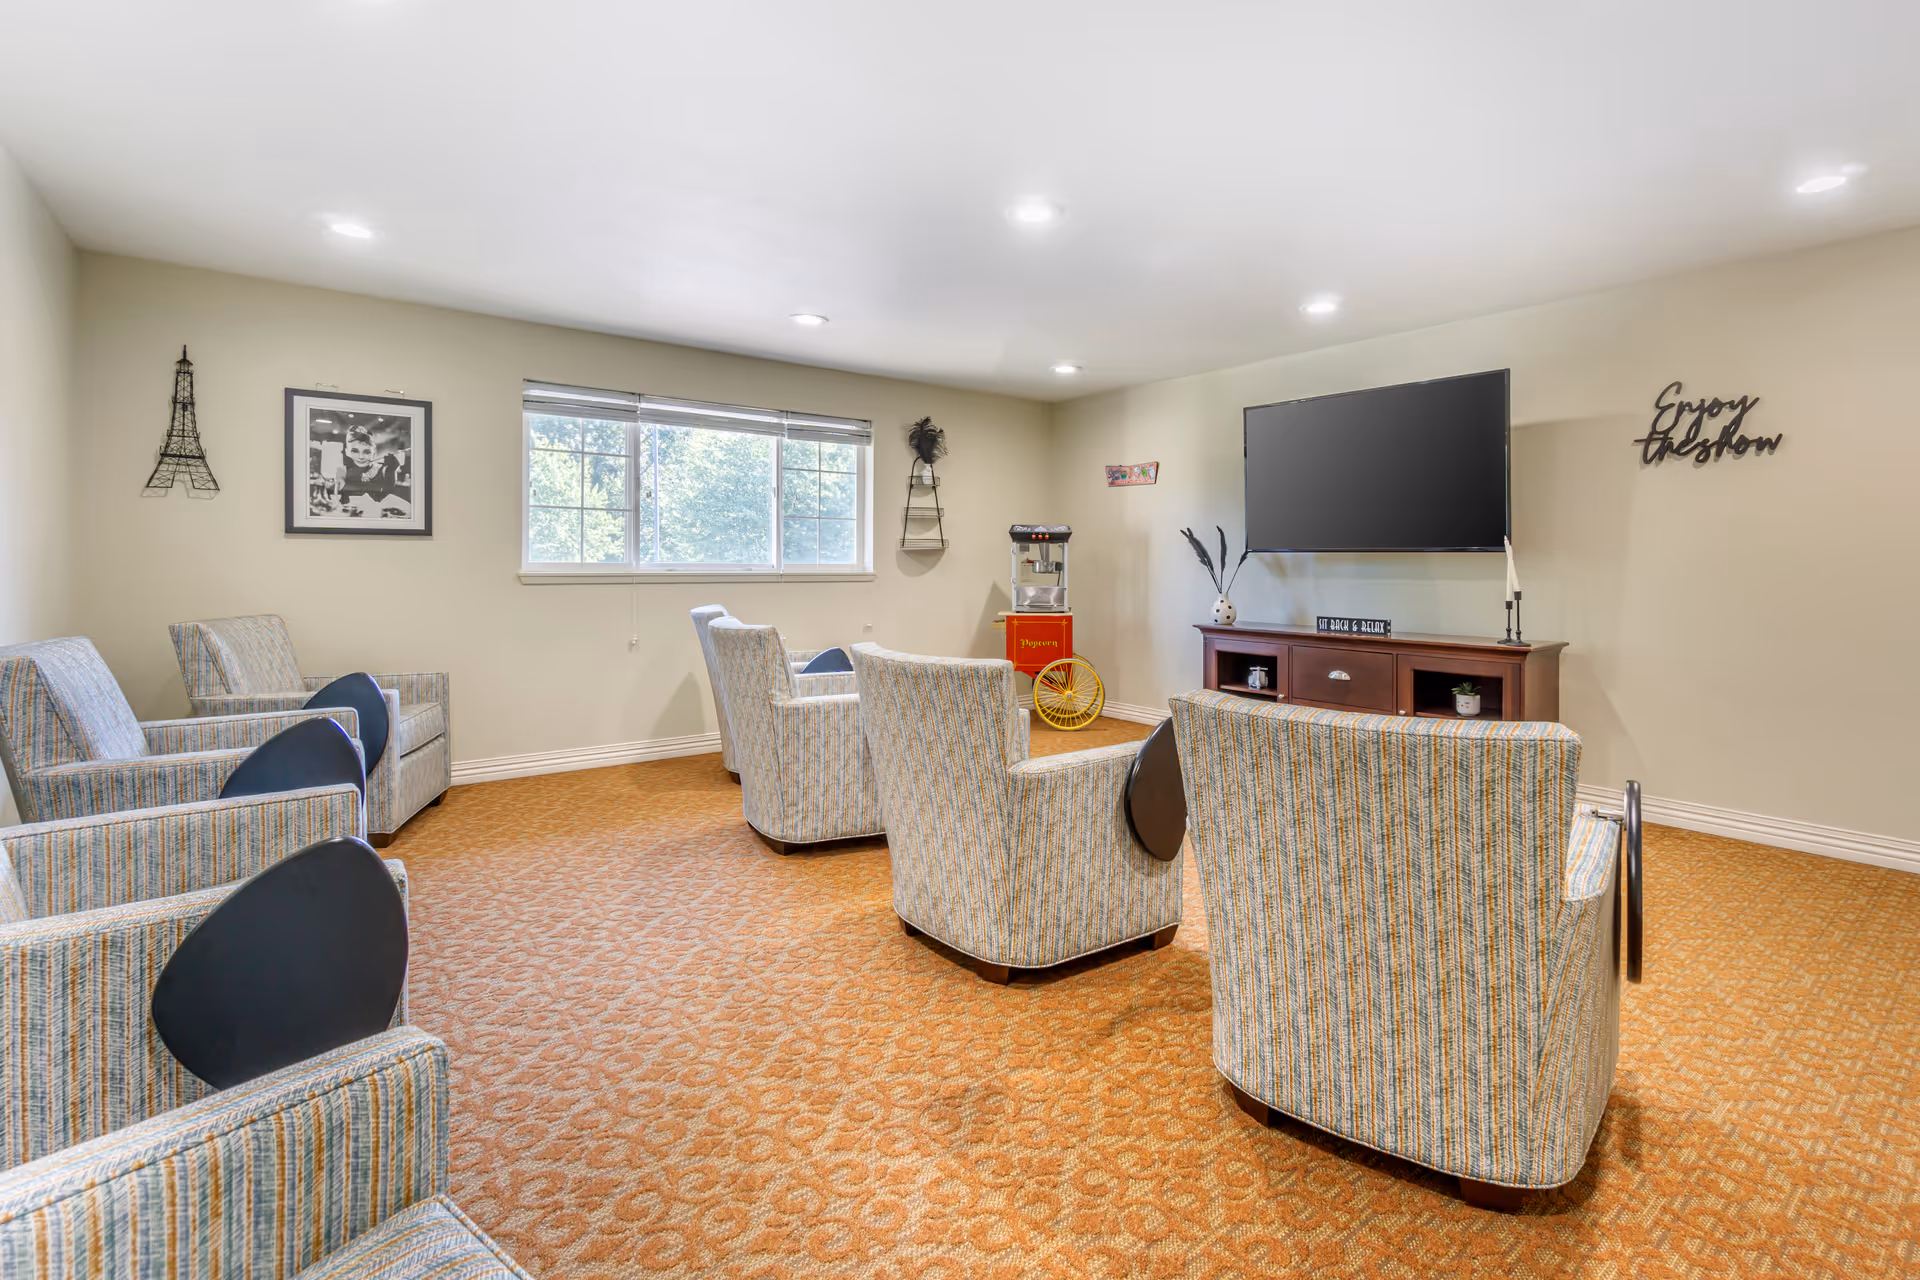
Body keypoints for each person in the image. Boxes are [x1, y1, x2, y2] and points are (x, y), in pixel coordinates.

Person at [339, 427, 411, 518]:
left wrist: (391, 471)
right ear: (347, 452)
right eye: (355, 451)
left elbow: (385, 492)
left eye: (367, 452)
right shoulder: (342, 469)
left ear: (373, 453)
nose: (361, 457)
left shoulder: (377, 468)